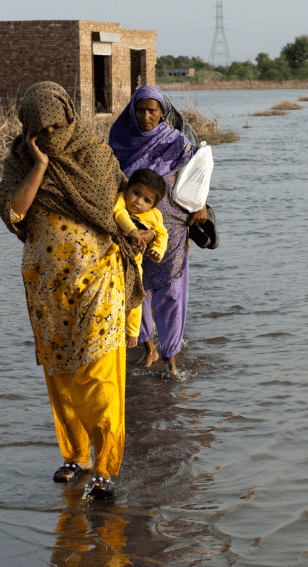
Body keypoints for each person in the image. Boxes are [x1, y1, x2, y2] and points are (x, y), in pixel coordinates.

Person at [0, 81, 142, 499]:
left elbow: (116, 208)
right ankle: (76, 454)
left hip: (98, 283)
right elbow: (15, 212)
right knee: (61, 376)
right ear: (26, 129)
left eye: (56, 126)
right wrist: (39, 165)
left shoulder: (94, 155)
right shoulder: (21, 161)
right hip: (47, 291)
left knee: (98, 376)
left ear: (69, 118)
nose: (50, 136)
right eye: (39, 131)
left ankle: (106, 466)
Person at [108, 85, 207, 376]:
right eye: (140, 109)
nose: (146, 116)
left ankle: (171, 355)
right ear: (132, 111)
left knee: (171, 291)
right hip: (131, 229)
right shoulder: (119, 138)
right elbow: (111, 183)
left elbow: (195, 179)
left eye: (152, 110)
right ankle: (148, 346)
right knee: (134, 287)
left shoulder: (176, 141)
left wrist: (201, 205)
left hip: (171, 230)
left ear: (163, 113)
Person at [112, 167, 169, 350]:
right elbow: (119, 213)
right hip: (113, 259)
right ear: (127, 189)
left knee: (135, 297)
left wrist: (158, 251)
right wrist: (132, 231)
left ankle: (133, 332)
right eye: (135, 193)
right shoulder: (120, 199)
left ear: (153, 205)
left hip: (135, 263)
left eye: (146, 200)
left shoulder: (154, 215)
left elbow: (162, 234)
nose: (138, 202)